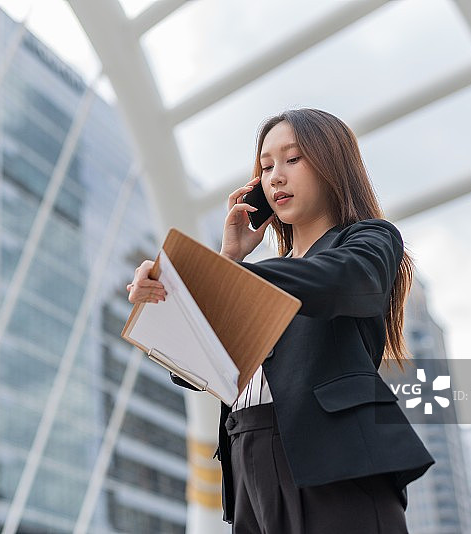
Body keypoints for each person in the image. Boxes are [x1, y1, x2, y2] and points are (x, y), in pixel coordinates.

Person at [127, 108, 435, 533]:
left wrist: (222, 276)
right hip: (247, 460)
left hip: (335, 458)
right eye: (266, 166)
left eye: (293, 159)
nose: (275, 177)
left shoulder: (369, 239)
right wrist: (214, 270)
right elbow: (203, 366)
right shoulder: (263, 273)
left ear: (332, 165)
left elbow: (341, 279)